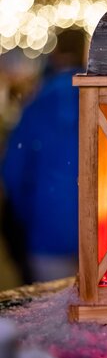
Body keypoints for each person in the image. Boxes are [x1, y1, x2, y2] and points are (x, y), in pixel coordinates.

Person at [0, 29, 85, 282]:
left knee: (50, 315)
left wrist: (27, 216)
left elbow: (13, 171)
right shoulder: (100, 99)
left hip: (47, 229)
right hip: (100, 234)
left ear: (56, 53)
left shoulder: (38, 102)